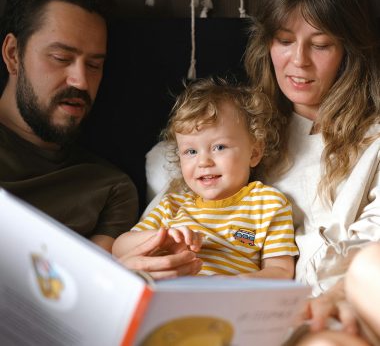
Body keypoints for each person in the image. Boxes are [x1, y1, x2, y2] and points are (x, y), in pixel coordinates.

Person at [142, 0, 380, 341]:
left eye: (320, 45)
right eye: (284, 40)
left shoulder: (374, 141)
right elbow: (170, 167)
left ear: (350, 51)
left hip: (349, 300)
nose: (298, 61)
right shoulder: (244, 127)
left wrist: (337, 297)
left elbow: (372, 248)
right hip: (257, 315)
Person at [0, 0, 202, 279]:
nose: (80, 81)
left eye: (94, 64)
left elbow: (89, 284)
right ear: (13, 54)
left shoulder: (110, 188)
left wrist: (118, 275)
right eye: (61, 58)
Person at [113, 78, 299, 278]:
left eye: (219, 147)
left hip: (231, 302)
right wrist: (160, 238)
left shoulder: (267, 204)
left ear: (254, 153)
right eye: (191, 151)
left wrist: (232, 285)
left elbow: (281, 271)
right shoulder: (172, 206)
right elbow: (118, 248)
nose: (204, 162)